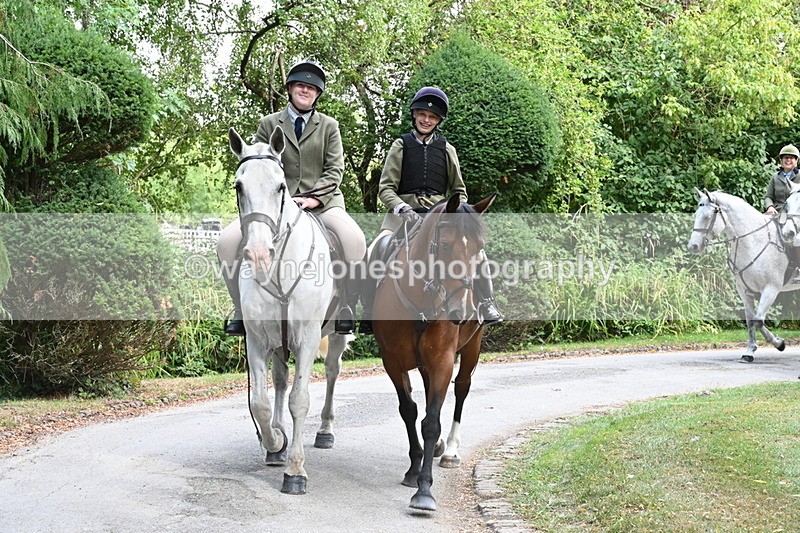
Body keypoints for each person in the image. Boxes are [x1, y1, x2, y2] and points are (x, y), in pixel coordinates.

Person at [217, 59, 366, 336]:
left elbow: (335, 170)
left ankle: (346, 305)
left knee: (354, 240)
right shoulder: (269, 123)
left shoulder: (329, 126)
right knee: (227, 243)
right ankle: (240, 309)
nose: (305, 91)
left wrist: (314, 199)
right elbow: (257, 165)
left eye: (311, 88)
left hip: (323, 204)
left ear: (317, 94)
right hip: (275, 207)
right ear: (289, 89)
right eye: (300, 85)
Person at [358, 86, 502, 334]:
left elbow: (460, 190)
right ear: (414, 115)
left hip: (440, 218)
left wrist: (456, 212)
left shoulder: (447, 150)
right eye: (422, 114)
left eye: (432, 117)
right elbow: (385, 189)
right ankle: (369, 312)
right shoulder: (400, 146)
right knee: (375, 251)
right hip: (402, 219)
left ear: (438, 121)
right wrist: (401, 208)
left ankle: (487, 304)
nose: (426, 120)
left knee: (478, 253)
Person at [764, 143, 800, 279]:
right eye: (785, 157)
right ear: (781, 161)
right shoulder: (775, 177)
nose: (788, 160)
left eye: (791, 158)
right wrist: (770, 206)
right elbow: (768, 196)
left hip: (794, 214)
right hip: (776, 213)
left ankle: (798, 267)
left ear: (796, 161)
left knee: (796, 239)